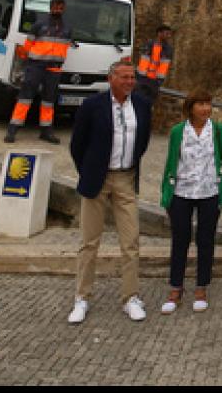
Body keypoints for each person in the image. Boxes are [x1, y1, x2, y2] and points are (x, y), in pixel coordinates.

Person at [67, 61, 153, 324]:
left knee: (131, 241)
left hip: (125, 178)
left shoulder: (141, 105)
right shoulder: (93, 106)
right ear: (111, 78)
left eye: (132, 77)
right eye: (124, 77)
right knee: (89, 241)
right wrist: (89, 171)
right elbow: (77, 144)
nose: (130, 81)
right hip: (97, 179)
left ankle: (130, 297)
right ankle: (82, 297)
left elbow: (143, 141)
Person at [158, 89, 222, 314]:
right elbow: (172, 160)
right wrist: (166, 192)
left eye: (208, 104)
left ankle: (201, 287)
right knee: (180, 239)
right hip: (181, 192)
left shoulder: (217, 130)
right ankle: (176, 287)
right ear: (190, 107)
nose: (206, 108)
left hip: (209, 192)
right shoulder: (178, 131)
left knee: (206, 240)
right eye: (201, 104)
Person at [5, 0, 71, 145]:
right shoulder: (39, 24)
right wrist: (27, 65)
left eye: (61, 7)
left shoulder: (67, 28)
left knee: (48, 101)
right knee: (25, 97)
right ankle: (12, 129)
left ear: (64, 9)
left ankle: (46, 131)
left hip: (54, 68)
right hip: (36, 66)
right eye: (56, 7)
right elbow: (27, 47)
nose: (58, 10)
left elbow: (65, 47)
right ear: (51, 7)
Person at [135, 25, 174, 103]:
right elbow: (143, 63)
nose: (168, 36)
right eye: (166, 34)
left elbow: (164, 67)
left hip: (155, 82)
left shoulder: (168, 49)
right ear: (159, 34)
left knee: (149, 104)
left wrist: (158, 81)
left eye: (169, 34)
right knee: (137, 101)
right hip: (142, 80)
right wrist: (140, 78)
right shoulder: (149, 44)